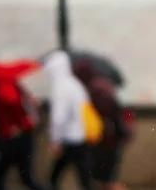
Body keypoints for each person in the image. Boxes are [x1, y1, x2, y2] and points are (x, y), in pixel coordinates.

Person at [73, 58, 132, 190]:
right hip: (113, 138)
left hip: (107, 141)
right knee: (104, 180)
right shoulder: (102, 85)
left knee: (107, 180)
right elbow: (125, 111)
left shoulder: (96, 90)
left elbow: (109, 113)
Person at [0, 74, 42, 190]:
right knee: (23, 177)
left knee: (3, 176)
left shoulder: (6, 96)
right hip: (19, 139)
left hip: (12, 140)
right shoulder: (20, 93)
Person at [44, 50, 92, 190]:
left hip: (69, 138)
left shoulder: (60, 87)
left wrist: (55, 139)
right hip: (80, 136)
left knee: (57, 174)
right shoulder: (74, 84)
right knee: (81, 174)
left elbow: (58, 116)